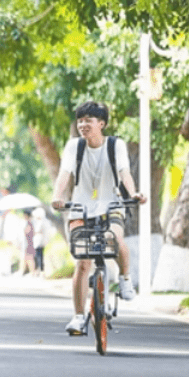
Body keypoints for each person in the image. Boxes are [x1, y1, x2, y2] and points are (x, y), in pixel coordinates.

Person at [51, 100, 146, 335]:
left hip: (111, 205)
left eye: (89, 120)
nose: (83, 124)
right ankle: (78, 316)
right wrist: (57, 197)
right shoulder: (74, 147)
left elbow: (124, 172)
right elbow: (65, 174)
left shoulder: (116, 146)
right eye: (80, 120)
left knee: (114, 239)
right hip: (80, 208)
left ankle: (125, 279)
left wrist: (133, 193)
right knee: (83, 262)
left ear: (101, 124)